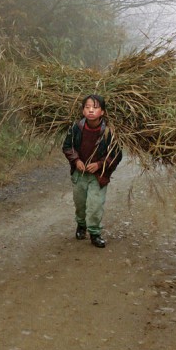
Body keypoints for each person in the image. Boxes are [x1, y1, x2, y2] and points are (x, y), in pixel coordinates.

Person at [62, 94, 122, 248]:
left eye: (95, 108)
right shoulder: (76, 128)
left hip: (98, 176)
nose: (90, 111)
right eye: (87, 107)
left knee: (95, 205)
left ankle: (95, 233)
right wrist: (76, 160)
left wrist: (100, 164)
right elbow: (67, 147)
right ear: (83, 111)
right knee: (80, 204)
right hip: (79, 175)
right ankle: (81, 226)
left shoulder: (109, 132)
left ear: (102, 112)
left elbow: (116, 155)